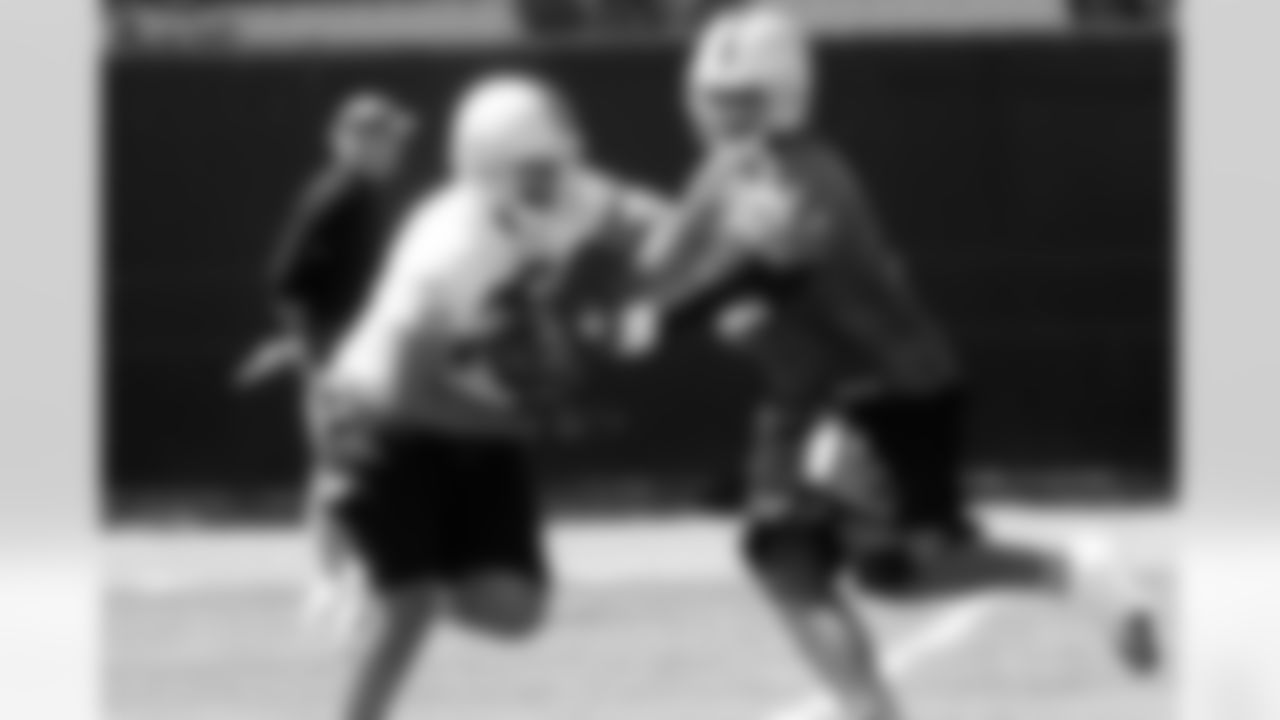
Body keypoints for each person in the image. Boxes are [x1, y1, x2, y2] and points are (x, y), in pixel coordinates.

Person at [615, 3, 1158, 718]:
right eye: (716, 97)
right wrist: (623, 278)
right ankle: (1065, 574)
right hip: (819, 396)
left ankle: (1058, 576)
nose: (725, 112)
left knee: (863, 563)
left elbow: (768, 271)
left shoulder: (810, 175)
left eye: (744, 98)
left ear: (786, 95)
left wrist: (667, 316)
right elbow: (667, 251)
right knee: (822, 563)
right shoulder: (729, 167)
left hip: (888, 389)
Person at [314, 71, 667, 720]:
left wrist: (634, 295)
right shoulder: (448, 248)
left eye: (554, 164)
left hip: (476, 408)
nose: (551, 183)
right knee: (410, 603)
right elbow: (404, 396)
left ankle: (381, 574)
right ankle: (383, 596)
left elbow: (655, 225)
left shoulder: (570, 191)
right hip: (378, 411)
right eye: (530, 171)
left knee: (515, 611)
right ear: (483, 171)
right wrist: (529, 421)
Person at [232, 89, 418, 602]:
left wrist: (298, 347)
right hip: (339, 359)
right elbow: (285, 278)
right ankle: (330, 577)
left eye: (395, 138)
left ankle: (343, 572)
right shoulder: (338, 196)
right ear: (352, 141)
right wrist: (315, 354)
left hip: (349, 352)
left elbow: (325, 289)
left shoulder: (359, 196)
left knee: (353, 463)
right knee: (342, 464)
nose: (395, 148)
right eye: (384, 138)